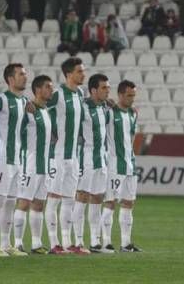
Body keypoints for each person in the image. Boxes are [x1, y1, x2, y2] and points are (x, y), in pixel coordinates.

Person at [0, 64, 29, 257]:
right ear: (11, 79)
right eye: (21, 74)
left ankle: (6, 243)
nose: (25, 77)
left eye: (25, 74)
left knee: (11, 202)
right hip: (1, 158)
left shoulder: (25, 101)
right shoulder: (0, 100)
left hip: (17, 158)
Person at [45, 57, 86, 255]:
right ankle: (54, 244)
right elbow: (38, 106)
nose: (83, 74)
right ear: (69, 74)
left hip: (73, 155)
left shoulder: (79, 93)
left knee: (70, 199)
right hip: (57, 155)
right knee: (54, 198)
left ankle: (69, 242)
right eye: (79, 71)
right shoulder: (57, 95)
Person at [12, 75, 54, 254]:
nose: (51, 90)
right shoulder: (26, 109)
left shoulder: (46, 111)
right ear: (38, 90)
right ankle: (17, 243)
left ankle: (36, 244)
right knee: (24, 203)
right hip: (29, 165)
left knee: (38, 205)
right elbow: (15, 131)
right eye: (47, 87)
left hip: (44, 166)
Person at [102, 80, 141, 253]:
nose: (132, 99)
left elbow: (131, 139)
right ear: (119, 95)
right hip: (114, 165)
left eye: (133, 95)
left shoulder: (133, 114)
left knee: (128, 203)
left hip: (130, 164)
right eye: (128, 95)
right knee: (109, 203)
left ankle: (126, 243)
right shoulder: (109, 113)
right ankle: (106, 242)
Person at [75, 74, 110, 253]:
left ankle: (95, 241)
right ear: (94, 90)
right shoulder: (82, 107)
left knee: (97, 198)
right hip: (86, 158)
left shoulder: (105, 107)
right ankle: (78, 241)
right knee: (81, 196)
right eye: (104, 88)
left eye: (108, 87)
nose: (108, 90)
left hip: (101, 159)